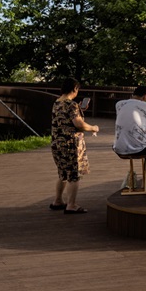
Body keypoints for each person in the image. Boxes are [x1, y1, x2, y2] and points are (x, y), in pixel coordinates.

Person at [50, 81, 98, 213]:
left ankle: (58, 201)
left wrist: (80, 110)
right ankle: (71, 205)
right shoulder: (72, 104)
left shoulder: (57, 102)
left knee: (63, 173)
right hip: (71, 144)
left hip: (57, 143)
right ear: (75, 88)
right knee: (73, 175)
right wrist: (93, 128)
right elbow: (79, 125)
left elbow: (66, 118)